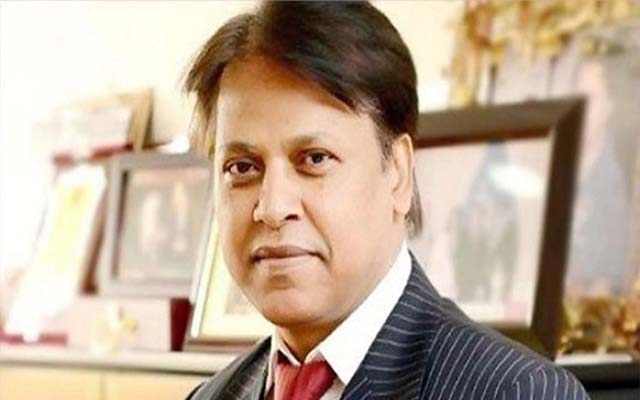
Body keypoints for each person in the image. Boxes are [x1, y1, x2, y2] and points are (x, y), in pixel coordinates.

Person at [184, 2, 589, 399]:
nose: (273, 207)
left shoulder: (520, 392)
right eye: (242, 167)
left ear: (398, 172)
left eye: (314, 159)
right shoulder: (211, 396)